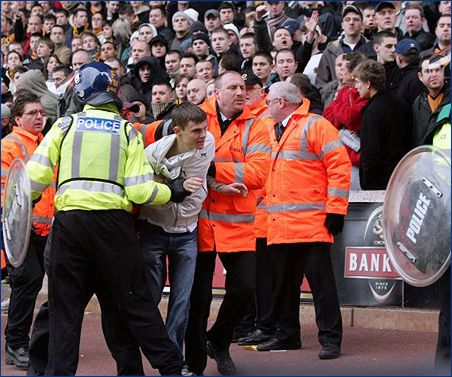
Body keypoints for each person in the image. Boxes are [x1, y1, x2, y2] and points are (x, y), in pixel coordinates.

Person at [25, 62, 199, 376]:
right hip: (114, 232)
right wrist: (172, 192)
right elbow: (140, 191)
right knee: (136, 307)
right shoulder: (126, 131)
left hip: (70, 228)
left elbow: (33, 179)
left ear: (81, 92)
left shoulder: (64, 125)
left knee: (64, 315)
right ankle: (172, 369)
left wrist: (27, 202)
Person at [255, 81, 350, 361]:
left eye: (268, 101)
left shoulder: (315, 125)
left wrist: (336, 209)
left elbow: (339, 166)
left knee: (321, 286)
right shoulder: (272, 129)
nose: (265, 105)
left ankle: (330, 340)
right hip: (282, 224)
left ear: (282, 102)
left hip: (311, 224)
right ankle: (287, 335)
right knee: (284, 286)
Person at [185, 71, 271, 376]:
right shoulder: (197, 116)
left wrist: (212, 169)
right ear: (216, 93)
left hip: (237, 223)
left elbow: (260, 172)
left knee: (244, 288)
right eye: (233, 87)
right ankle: (193, 361)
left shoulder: (258, 125)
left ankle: (218, 339)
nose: (240, 92)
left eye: (243, 88)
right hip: (199, 221)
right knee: (199, 297)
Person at [139, 102, 214, 370]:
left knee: (181, 303)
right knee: (149, 298)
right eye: (196, 131)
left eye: (204, 129)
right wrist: (175, 190)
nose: (203, 135)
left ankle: (172, 363)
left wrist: (216, 186)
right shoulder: (151, 156)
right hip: (154, 232)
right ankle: (151, 352)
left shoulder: (209, 144)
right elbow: (148, 196)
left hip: (188, 234)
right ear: (177, 130)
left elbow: (200, 183)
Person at [1, 91, 55, 370]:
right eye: (32, 113)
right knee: (28, 281)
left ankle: (33, 341)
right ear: (17, 119)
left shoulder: (45, 143)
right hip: (17, 230)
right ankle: (16, 343)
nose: (38, 117)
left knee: (38, 282)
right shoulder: (10, 145)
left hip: (43, 230)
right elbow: (4, 191)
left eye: (41, 113)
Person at [353, 59, 412, 190]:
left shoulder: (372, 111)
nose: (355, 87)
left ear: (368, 83)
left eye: (357, 82)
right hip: (402, 178)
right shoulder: (401, 103)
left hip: (378, 184)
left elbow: (371, 154)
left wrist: (367, 183)